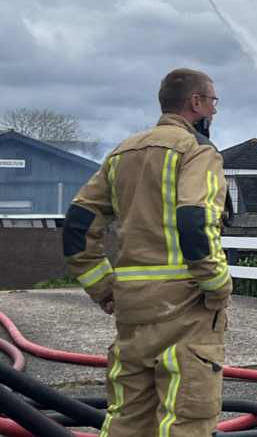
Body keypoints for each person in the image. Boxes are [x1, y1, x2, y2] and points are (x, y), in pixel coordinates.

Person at [63, 68, 233, 437]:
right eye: (213, 102)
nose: (215, 113)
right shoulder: (197, 152)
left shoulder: (122, 153)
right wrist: (218, 285)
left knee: (127, 419)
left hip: (132, 309)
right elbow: (194, 221)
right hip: (187, 307)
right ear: (196, 102)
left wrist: (102, 286)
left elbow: (77, 225)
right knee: (186, 418)